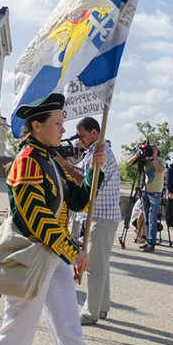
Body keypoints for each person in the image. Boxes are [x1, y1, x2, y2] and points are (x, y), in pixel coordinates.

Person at [0, 93, 111, 345]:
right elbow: (36, 220)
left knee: (70, 332)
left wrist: (96, 168)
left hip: (54, 257)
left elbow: (78, 200)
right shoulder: (27, 161)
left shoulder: (50, 158)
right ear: (37, 126)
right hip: (32, 256)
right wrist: (73, 251)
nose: (63, 130)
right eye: (57, 123)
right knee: (15, 333)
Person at [58, 116, 121, 325]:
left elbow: (84, 180)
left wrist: (63, 165)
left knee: (94, 265)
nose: (80, 140)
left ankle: (90, 311)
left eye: (83, 136)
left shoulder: (99, 153)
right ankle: (101, 306)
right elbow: (83, 175)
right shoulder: (94, 151)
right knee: (101, 264)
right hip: (100, 215)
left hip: (102, 215)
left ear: (95, 133)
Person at [128, 145, 165, 252]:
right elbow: (129, 164)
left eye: (154, 149)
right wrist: (137, 156)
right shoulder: (146, 161)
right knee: (147, 219)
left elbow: (159, 170)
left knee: (152, 218)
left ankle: (152, 244)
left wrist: (153, 159)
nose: (152, 151)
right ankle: (148, 241)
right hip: (145, 192)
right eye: (151, 149)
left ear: (158, 151)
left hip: (155, 193)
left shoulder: (161, 160)